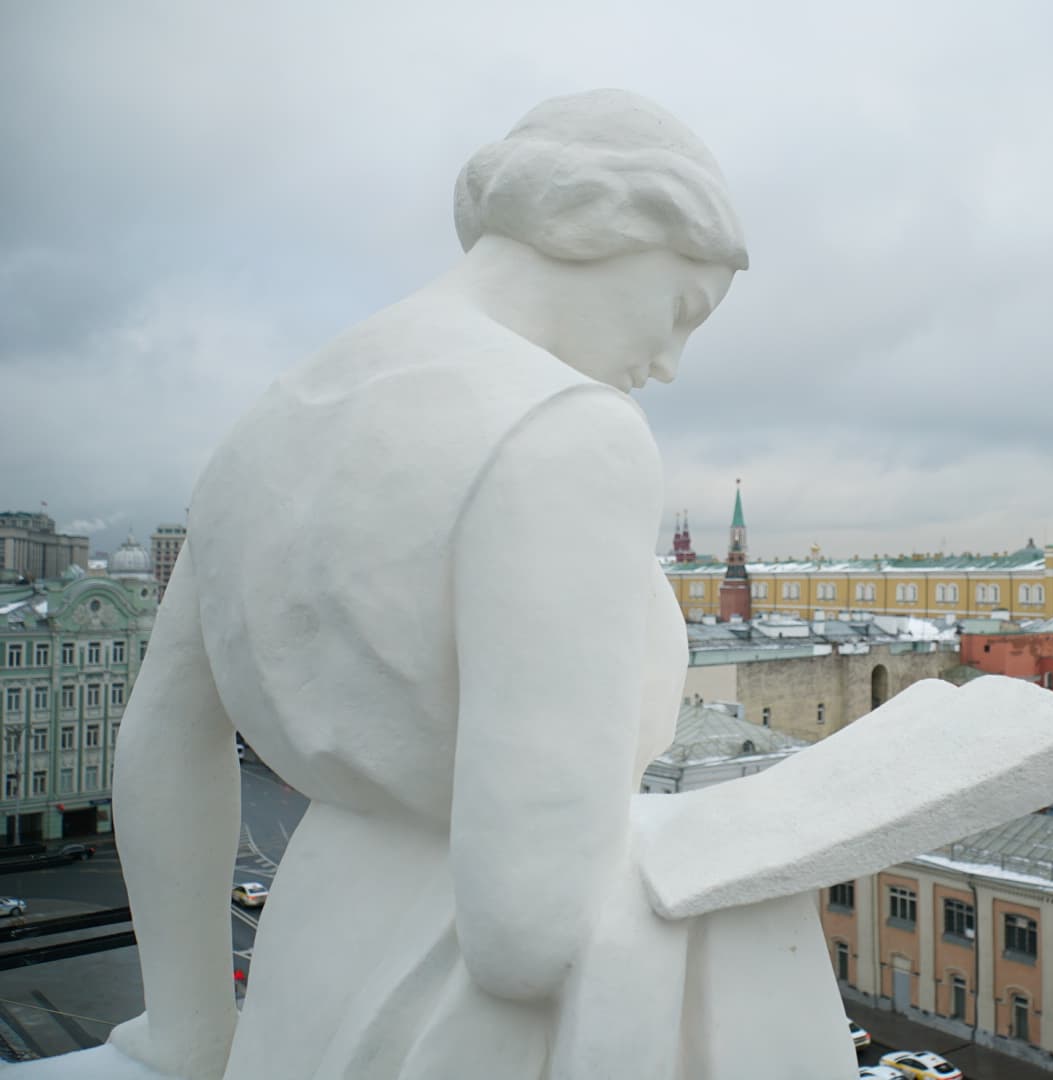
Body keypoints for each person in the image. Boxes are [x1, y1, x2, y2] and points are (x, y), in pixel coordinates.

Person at [103, 89, 748, 1080]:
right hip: (455, 1022)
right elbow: (530, 925)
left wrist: (190, 1034)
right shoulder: (564, 431)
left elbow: (162, 742)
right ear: (598, 221)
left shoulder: (266, 423)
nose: (666, 362)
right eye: (681, 308)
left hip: (300, 981)